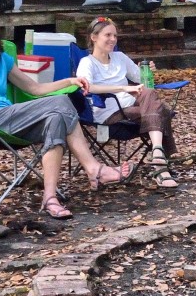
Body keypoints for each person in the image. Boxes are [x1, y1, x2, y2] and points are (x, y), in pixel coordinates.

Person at [0, 8, 133, 219]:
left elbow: (34, 89)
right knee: (62, 103)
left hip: (10, 117)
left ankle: (50, 198)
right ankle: (94, 169)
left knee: (55, 119)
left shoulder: (3, 60)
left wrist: (69, 81)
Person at [75, 17, 180, 189]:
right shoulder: (87, 62)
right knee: (162, 111)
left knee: (148, 92)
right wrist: (123, 88)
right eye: (107, 35)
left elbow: (140, 79)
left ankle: (158, 155)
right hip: (110, 113)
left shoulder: (120, 57)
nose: (113, 39)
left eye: (115, 36)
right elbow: (88, 87)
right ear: (94, 37)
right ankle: (161, 165)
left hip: (132, 107)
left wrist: (148, 71)